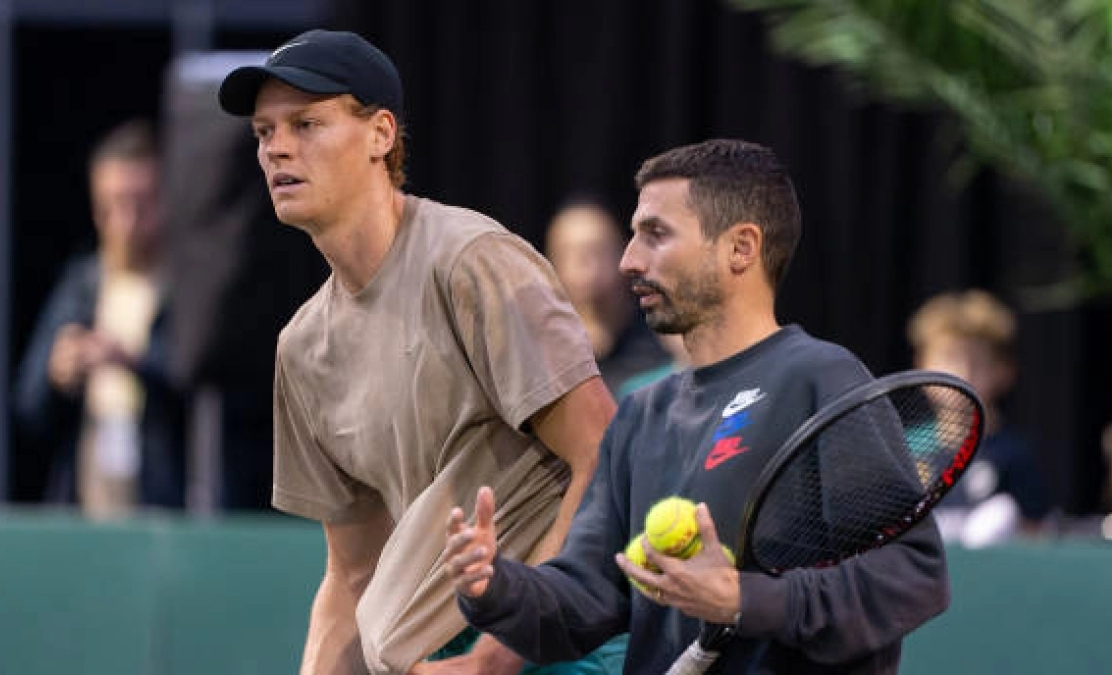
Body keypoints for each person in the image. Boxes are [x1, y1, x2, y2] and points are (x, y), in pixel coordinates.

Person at [442, 139, 949, 673]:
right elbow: (584, 598)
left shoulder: (820, 378)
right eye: (634, 235)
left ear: (741, 248)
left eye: (656, 235)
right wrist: (495, 585)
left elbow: (911, 577)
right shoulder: (639, 413)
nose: (628, 261)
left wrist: (743, 600)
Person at [216, 29, 619, 674]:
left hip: (562, 643)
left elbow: (602, 454)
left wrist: (499, 656)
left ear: (380, 135)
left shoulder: (470, 261)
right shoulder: (301, 347)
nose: (278, 148)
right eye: (264, 132)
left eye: (307, 123)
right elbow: (352, 574)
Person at [14, 119, 186, 517]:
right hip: (87, 495)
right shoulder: (83, 284)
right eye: (113, 206)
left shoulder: (185, 288)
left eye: (141, 205)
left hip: (166, 502)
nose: (126, 224)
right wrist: (57, 373)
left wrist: (133, 362)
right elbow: (28, 405)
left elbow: (208, 393)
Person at [908, 289, 1051, 545]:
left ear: (1004, 371)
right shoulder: (905, 451)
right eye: (949, 359)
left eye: (977, 363)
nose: (962, 373)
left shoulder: (1015, 455)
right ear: (921, 366)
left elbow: (1036, 537)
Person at [545, 200, 671, 394]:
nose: (585, 264)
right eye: (570, 253)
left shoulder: (662, 340)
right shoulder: (539, 360)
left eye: (597, 251)